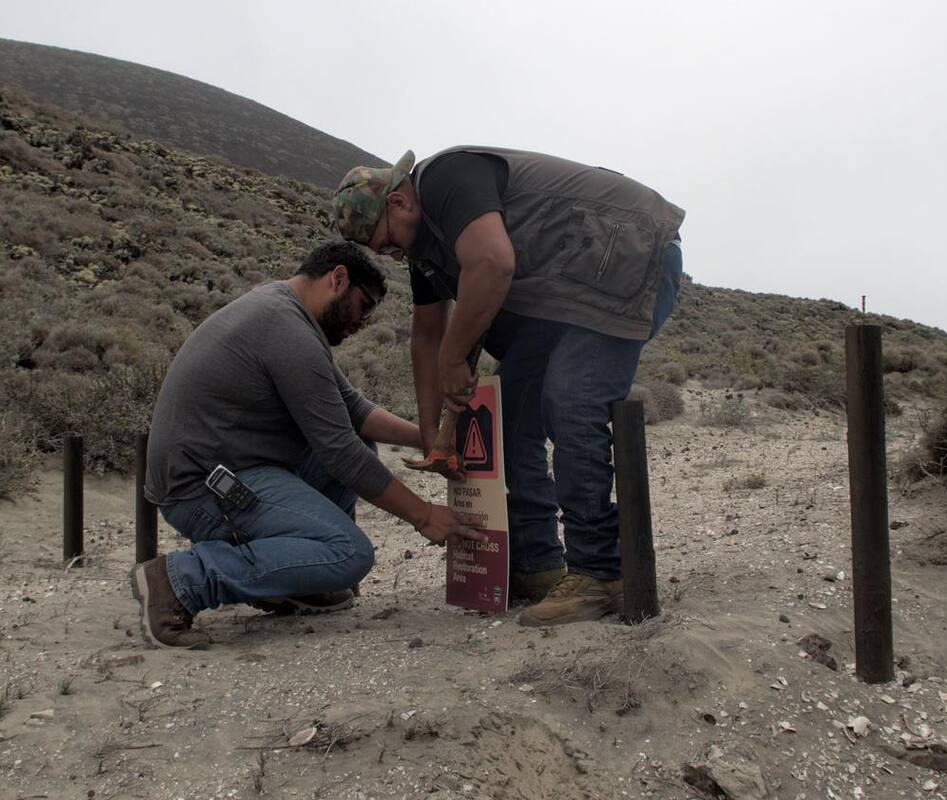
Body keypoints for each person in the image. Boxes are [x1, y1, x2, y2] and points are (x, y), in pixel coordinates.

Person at [332, 146, 685, 626]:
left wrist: (455, 358)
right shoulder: (424, 248)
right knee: (511, 416)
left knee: (571, 398)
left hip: (628, 251)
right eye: (382, 252)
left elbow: (494, 263)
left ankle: (601, 572)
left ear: (399, 202)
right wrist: (434, 435)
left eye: (387, 242)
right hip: (567, 287)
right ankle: (538, 565)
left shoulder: (447, 177)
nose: (392, 255)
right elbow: (427, 335)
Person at [134, 240, 482, 649]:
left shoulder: (285, 314)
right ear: (338, 279)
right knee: (348, 553)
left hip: (231, 468)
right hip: (201, 489)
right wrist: (423, 515)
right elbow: (339, 450)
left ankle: (300, 584)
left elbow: (353, 410)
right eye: (365, 306)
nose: (363, 322)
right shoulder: (285, 328)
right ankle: (180, 581)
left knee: (360, 446)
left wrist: (430, 438)